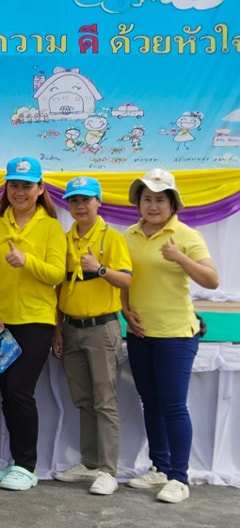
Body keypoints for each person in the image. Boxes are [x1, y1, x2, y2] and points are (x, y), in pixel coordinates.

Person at [123, 169, 218, 504]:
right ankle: (160, 467)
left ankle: (180, 477)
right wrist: (124, 311)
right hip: (139, 333)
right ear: (138, 203)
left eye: (159, 200)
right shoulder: (129, 235)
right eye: (146, 199)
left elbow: (212, 280)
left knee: (174, 405)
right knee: (151, 403)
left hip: (176, 334)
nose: (152, 206)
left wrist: (179, 257)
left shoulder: (187, 236)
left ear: (173, 203)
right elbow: (125, 277)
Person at [0, 156, 66, 491]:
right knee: (6, 395)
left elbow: (57, 274)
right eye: (14, 184)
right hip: (1, 325)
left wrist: (27, 260)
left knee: (20, 392)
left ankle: (28, 466)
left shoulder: (51, 228)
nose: (20, 191)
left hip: (36, 322)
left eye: (27, 185)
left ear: (40, 189)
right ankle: (17, 462)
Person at [51, 176, 132, 496]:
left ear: (99, 202)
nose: (79, 206)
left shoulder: (111, 237)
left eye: (86, 199)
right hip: (71, 329)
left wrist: (99, 269)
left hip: (101, 329)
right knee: (83, 400)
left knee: (105, 401)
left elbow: (125, 281)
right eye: (73, 200)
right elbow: (60, 288)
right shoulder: (65, 238)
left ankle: (109, 470)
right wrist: (57, 330)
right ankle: (89, 463)